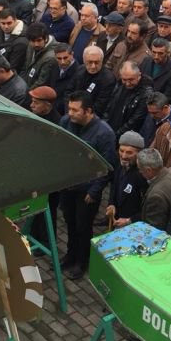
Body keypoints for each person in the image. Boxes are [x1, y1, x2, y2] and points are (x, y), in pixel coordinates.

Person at [59, 91, 117, 280]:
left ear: (89, 111)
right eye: (69, 109)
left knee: (83, 228)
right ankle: (70, 254)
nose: (71, 113)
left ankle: (82, 262)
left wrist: (94, 191)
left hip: (87, 191)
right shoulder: (67, 122)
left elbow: (108, 166)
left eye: (75, 110)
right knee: (69, 222)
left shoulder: (104, 133)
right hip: (69, 186)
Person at [137, 147, 171, 231]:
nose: (140, 172)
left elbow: (154, 229)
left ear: (148, 170)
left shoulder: (156, 196)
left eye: (140, 169)